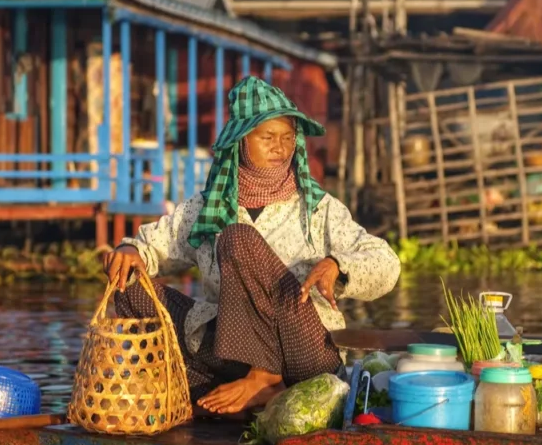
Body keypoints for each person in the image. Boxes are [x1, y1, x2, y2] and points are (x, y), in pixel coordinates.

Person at [101, 76, 401, 416]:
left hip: (305, 353)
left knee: (238, 238)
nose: (280, 148)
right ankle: (233, 389)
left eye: (288, 138)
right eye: (267, 137)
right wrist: (130, 252)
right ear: (241, 141)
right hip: (236, 356)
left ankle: (265, 380)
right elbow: (153, 245)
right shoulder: (207, 207)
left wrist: (337, 265)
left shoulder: (318, 209)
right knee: (130, 287)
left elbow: (386, 262)